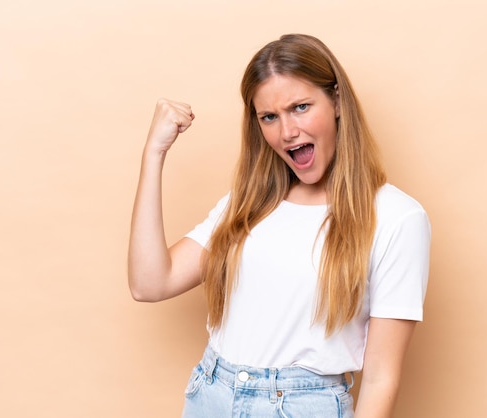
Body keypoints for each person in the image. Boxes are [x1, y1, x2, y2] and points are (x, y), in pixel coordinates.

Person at [128, 34, 431, 418]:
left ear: (337, 101)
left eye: (300, 107)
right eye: (269, 117)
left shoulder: (396, 218)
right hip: (211, 395)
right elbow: (149, 282)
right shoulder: (247, 204)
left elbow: (380, 380)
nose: (286, 131)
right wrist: (154, 153)